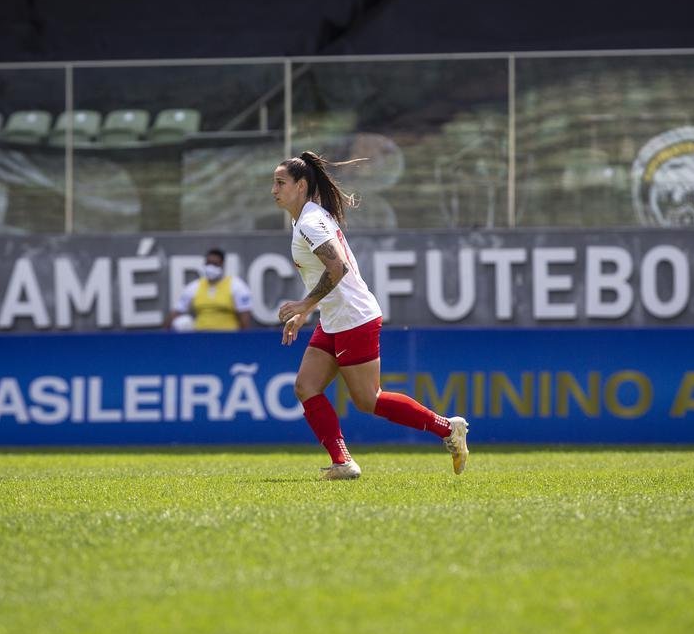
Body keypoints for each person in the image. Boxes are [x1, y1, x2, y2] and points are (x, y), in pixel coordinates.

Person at [272, 151, 469, 480]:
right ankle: (343, 463)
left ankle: (448, 428)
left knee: (368, 399)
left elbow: (338, 267)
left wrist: (304, 305)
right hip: (335, 318)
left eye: (280, 183)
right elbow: (328, 272)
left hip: (353, 317)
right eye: (274, 183)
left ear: (301, 186)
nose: (274, 189)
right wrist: (309, 311)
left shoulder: (309, 221)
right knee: (306, 387)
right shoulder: (305, 219)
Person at [164, 248, 253, 332]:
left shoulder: (236, 286)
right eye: (208, 264)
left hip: (228, 335)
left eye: (215, 264)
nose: (211, 267)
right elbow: (176, 312)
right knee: (183, 322)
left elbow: (245, 317)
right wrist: (164, 335)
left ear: (222, 265)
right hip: (201, 336)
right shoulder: (194, 287)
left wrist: (244, 339)